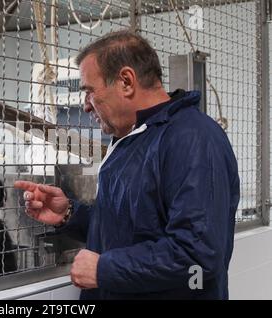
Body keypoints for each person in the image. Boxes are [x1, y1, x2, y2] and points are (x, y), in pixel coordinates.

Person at [14, 29, 240, 300]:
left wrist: (104, 269)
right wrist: (69, 214)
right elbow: (132, 229)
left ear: (126, 81)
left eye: (89, 91)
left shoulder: (192, 139)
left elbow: (198, 257)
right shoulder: (133, 138)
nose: (86, 106)